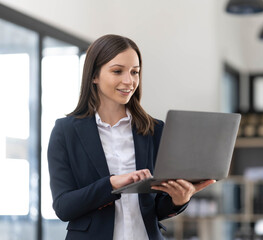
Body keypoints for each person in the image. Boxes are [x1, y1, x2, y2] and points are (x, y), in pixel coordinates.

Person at [47, 34, 215, 240]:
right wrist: (111, 184)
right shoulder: (66, 131)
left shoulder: (154, 129)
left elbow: (156, 208)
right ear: (94, 75)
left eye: (135, 72)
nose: (129, 81)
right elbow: (64, 207)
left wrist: (178, 200)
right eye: (117, 71)